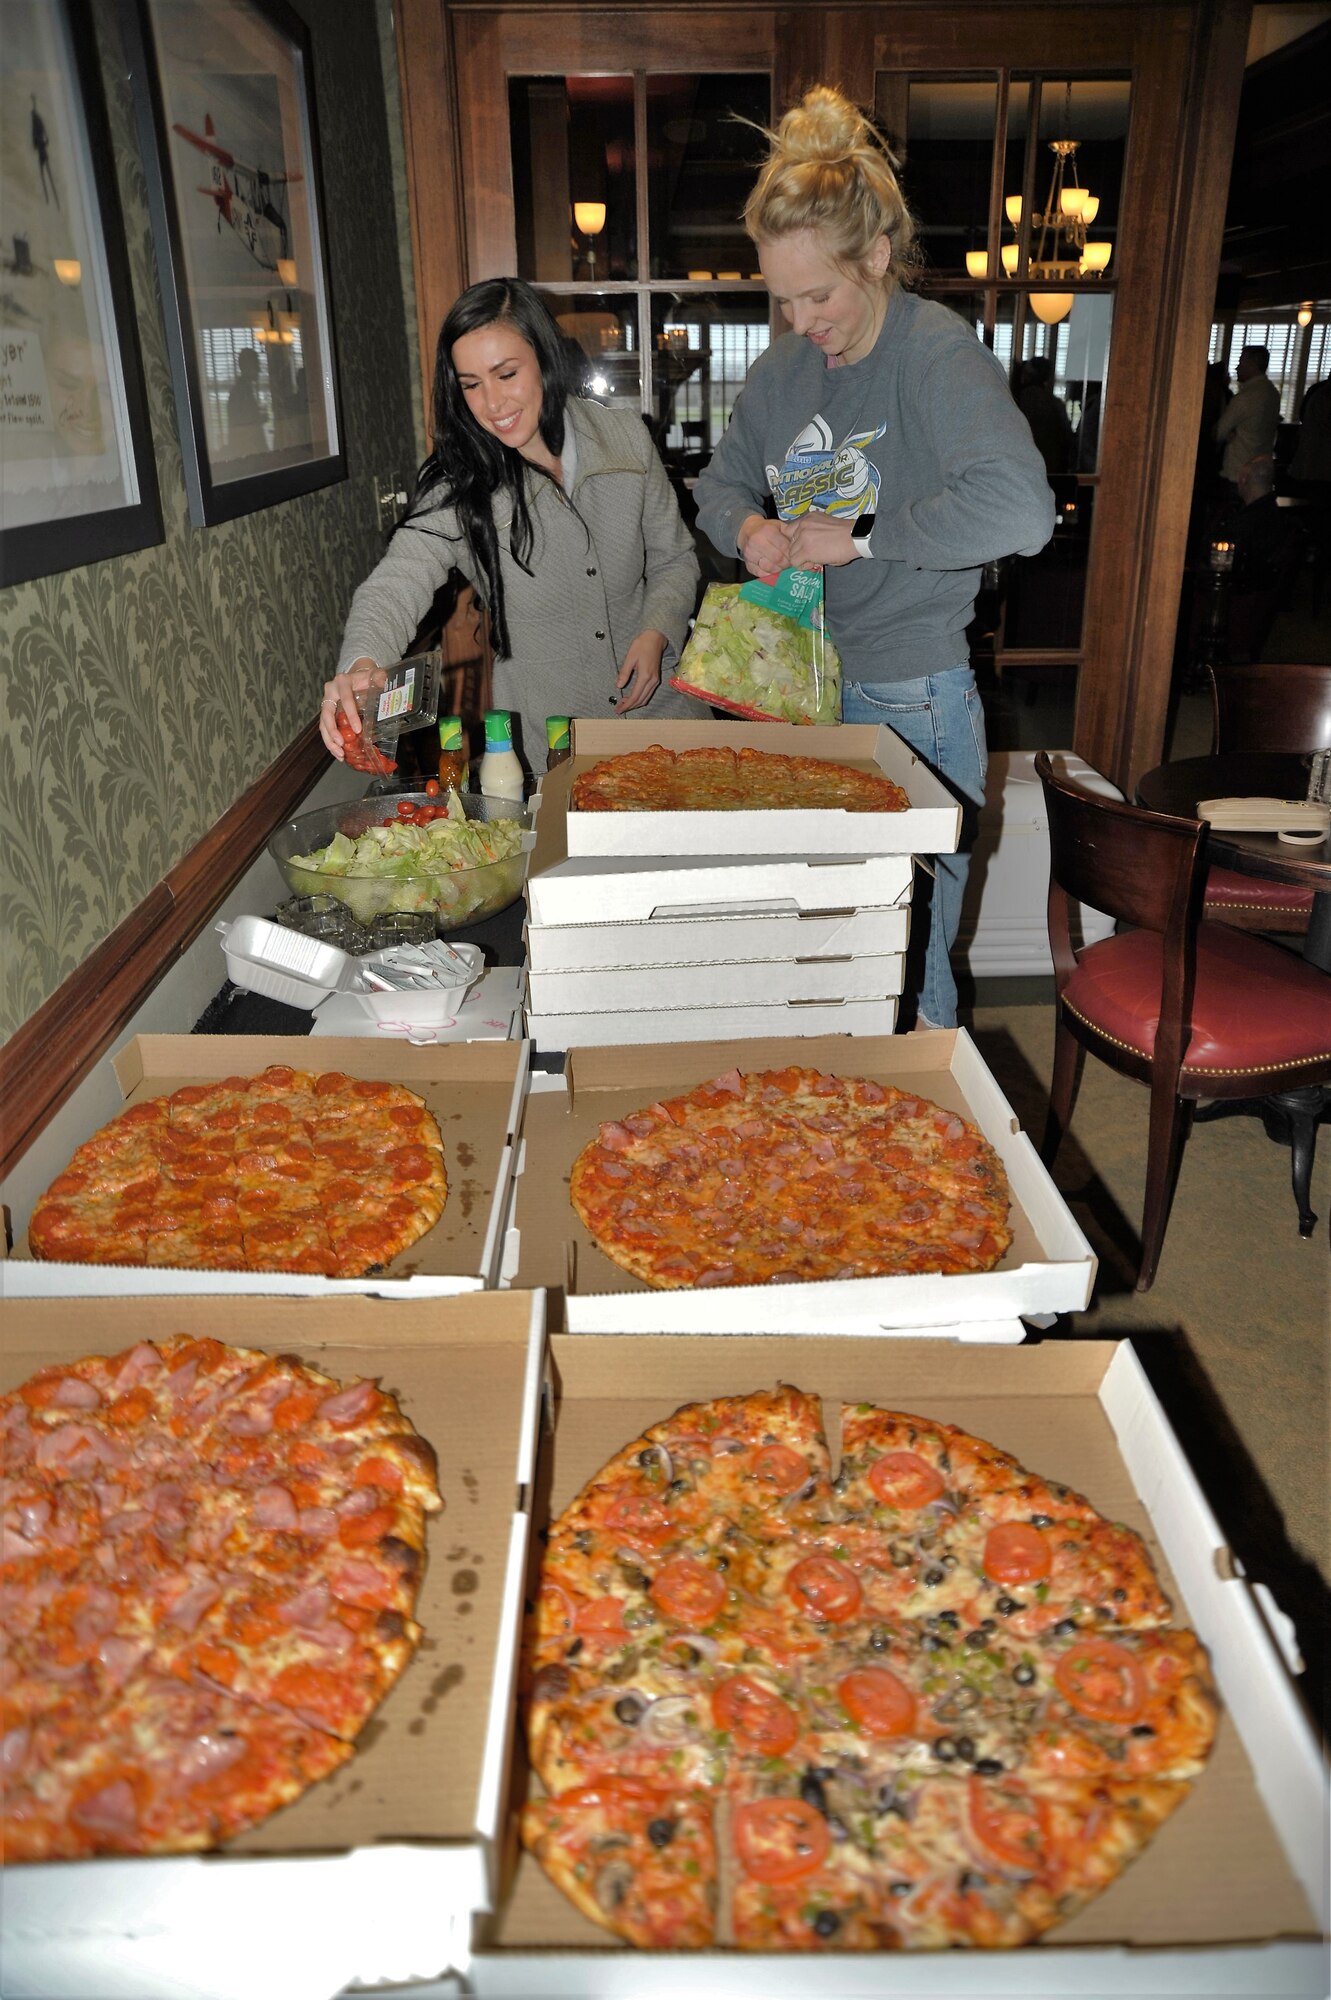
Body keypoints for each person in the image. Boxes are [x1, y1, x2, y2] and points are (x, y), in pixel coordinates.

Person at [693, 85, 1053, 1030]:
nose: (802, 320)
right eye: (782, 299)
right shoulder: (779, 372)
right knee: (820, 958)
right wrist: (748, 531)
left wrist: (861, 534)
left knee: (904, 971)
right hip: (797, 695)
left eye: (820, 294)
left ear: (879, 256)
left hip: (908, 695)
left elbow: (1022, 510)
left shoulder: (934, 354)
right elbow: (714, 485)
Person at [322, 278, 703, 774]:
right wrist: (361, 665)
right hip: (555, 750)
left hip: (670, 724)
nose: (493, 404)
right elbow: (396, 583)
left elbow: (675, 559)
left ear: (544, 358)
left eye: (506, 374)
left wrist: (658, 632)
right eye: (472, 385)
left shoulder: (626, 440)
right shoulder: (460, 483)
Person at [1214, 344, 1280, 490]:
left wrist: (1226, 435)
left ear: (1252, 365)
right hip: (1261, 471)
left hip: (1238, 472)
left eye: (1240, 363)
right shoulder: (1273, 393)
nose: (1237, 368)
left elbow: (1218, 432)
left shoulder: (1245, 397)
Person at [1016, 356, 1072, 479]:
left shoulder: (1023, 400)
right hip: (1050, 469)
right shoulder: (1055, 403)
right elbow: (1067, 437)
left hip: (1029, 467)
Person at [227, 347, 267, 457]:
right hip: (248, 456)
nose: (259, 370)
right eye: (256, 365)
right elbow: (244, 428)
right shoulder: (240, 392)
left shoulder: (246, 390)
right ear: (247, 366)